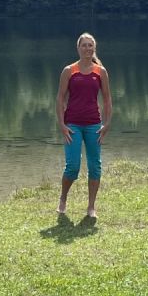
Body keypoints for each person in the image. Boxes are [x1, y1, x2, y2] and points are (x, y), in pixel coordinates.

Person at [56, 33, 112, 222]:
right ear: (78, 48)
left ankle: (91, 206)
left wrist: (106, 123)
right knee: (72, 166)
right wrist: (62, 125)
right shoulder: (69, 70)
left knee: (95, 167)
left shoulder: (100, 72)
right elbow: (60, 98)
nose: (87, 48)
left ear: (94, 48)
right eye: (84, 45)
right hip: (72, 124)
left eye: (90, 46)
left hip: (93, 125)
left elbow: (107, 99)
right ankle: (63, 198)